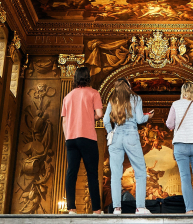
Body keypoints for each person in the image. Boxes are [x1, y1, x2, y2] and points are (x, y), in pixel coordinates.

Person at [104, 78, 153, 214]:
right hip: (131, 134)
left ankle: (117, 208)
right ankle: (140, 207)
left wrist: (110, 132)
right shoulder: (136, 98)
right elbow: (139, 119)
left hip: (116, 134)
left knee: (115, 174)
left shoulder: (113, 99)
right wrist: (148, 116)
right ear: (128, 86)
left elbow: (105, 120)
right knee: (140, 171)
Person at [60, 65, 104, 214]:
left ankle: (71, 208)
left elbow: (64, 121)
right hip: (87, 138)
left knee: (71, 172)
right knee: (92, 173)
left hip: (71, 139)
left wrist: (67, 139)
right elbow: (99, 114)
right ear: (88, 77)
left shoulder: (68, 96)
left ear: (75, 78)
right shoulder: (94, 93)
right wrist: (89, 116)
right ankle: (96, 210)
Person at [166, 81, 193, 214]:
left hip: (180, 145)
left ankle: (189, 210)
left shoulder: (175, 104)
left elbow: (169, 124)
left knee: (185, 178)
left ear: (182, 92)